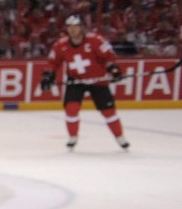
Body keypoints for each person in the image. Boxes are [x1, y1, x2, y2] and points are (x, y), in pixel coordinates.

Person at [40, 14, 130, 151]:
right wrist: (48, 76)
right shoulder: (61, 45)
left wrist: (114, 69)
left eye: (76, 26)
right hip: (76, 81)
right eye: (70, 27)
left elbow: (109, 57)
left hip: (97, 80)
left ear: (82, 27)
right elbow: (53, 62)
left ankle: (120, 138)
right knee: (71, 109)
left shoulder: (96, 40)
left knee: (108, 111)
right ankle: (73, 137)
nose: (72, 30)